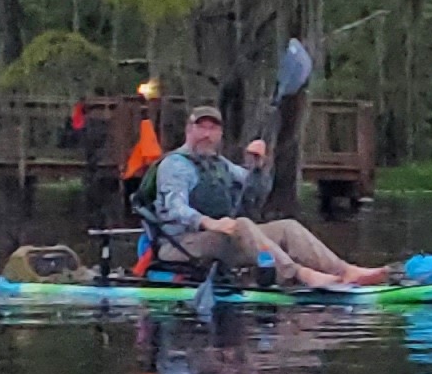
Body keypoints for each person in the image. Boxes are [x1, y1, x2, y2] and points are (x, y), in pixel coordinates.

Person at [142, 107, 395, 286]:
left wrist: (259, 166)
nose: (207, 134)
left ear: (219, 134)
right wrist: (209, 222)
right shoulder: (175, 165)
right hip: (179, 246)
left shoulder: (220, 164)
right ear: (189, 130)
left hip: (219, 240)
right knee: (241, 224)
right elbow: (174, 208)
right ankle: (297, 274)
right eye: (201, 128)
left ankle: (345, 271)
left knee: (286, 227)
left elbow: (256, 192)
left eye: (213, 129)